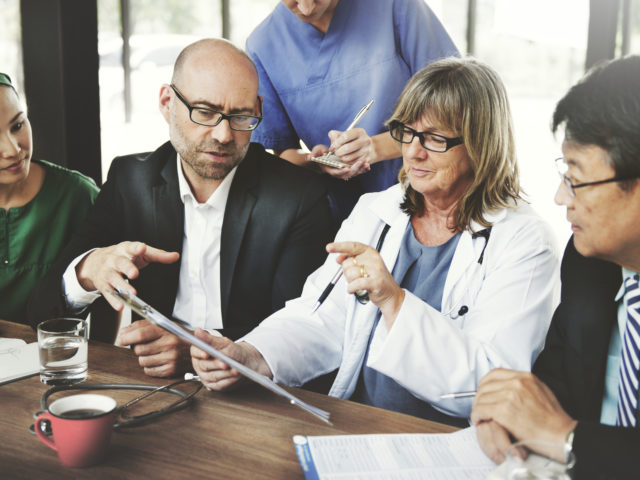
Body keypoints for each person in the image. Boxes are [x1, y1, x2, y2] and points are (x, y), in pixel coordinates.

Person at [189, 57, 559, 426]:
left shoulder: (524, 240)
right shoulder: (376, 211)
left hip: (452, 442)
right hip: (361, 425)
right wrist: (248, 355)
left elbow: (491, 386)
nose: (414, 151)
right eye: (407, 132)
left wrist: (393, 301)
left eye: (434, 137)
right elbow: (320, 317)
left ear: (481, 143)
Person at [27, 39, 333, 378]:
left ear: (258, 110)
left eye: (242, 116)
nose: (223, 134)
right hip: (149, 386)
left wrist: (197, 352)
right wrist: (87, 269)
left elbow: (299, 331)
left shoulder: (298, 196)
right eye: (204, 112)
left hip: (252, 397)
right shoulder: (130, 180)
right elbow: (42, 311)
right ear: (166, 103)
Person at [470, 55, 640, 479]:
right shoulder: (588, 264)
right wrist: (510, 413)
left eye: (576, 178)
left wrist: (565, 437)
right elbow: (557, 381)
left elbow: (560, 426)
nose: (561, 198)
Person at [246, 0, 459, 225]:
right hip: (346, 214)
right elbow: (285, 155)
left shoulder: (396, 6)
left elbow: (455, 105)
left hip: (431, 193)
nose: (307, 8)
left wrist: (375, 148)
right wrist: (320, 162)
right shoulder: (263, 45)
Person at [0, 73, 98, 324]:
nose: (13, 150)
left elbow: (109, 301)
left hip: (60, 359)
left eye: (17, 125)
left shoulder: (78, 195)